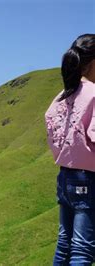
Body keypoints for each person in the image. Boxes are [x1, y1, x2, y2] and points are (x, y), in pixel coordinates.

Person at [45, 34, 95, 265]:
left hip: (65, 175)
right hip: (89, 178)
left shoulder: (61, 96)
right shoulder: (93, 94)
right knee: (83, 248)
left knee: (65, 243)